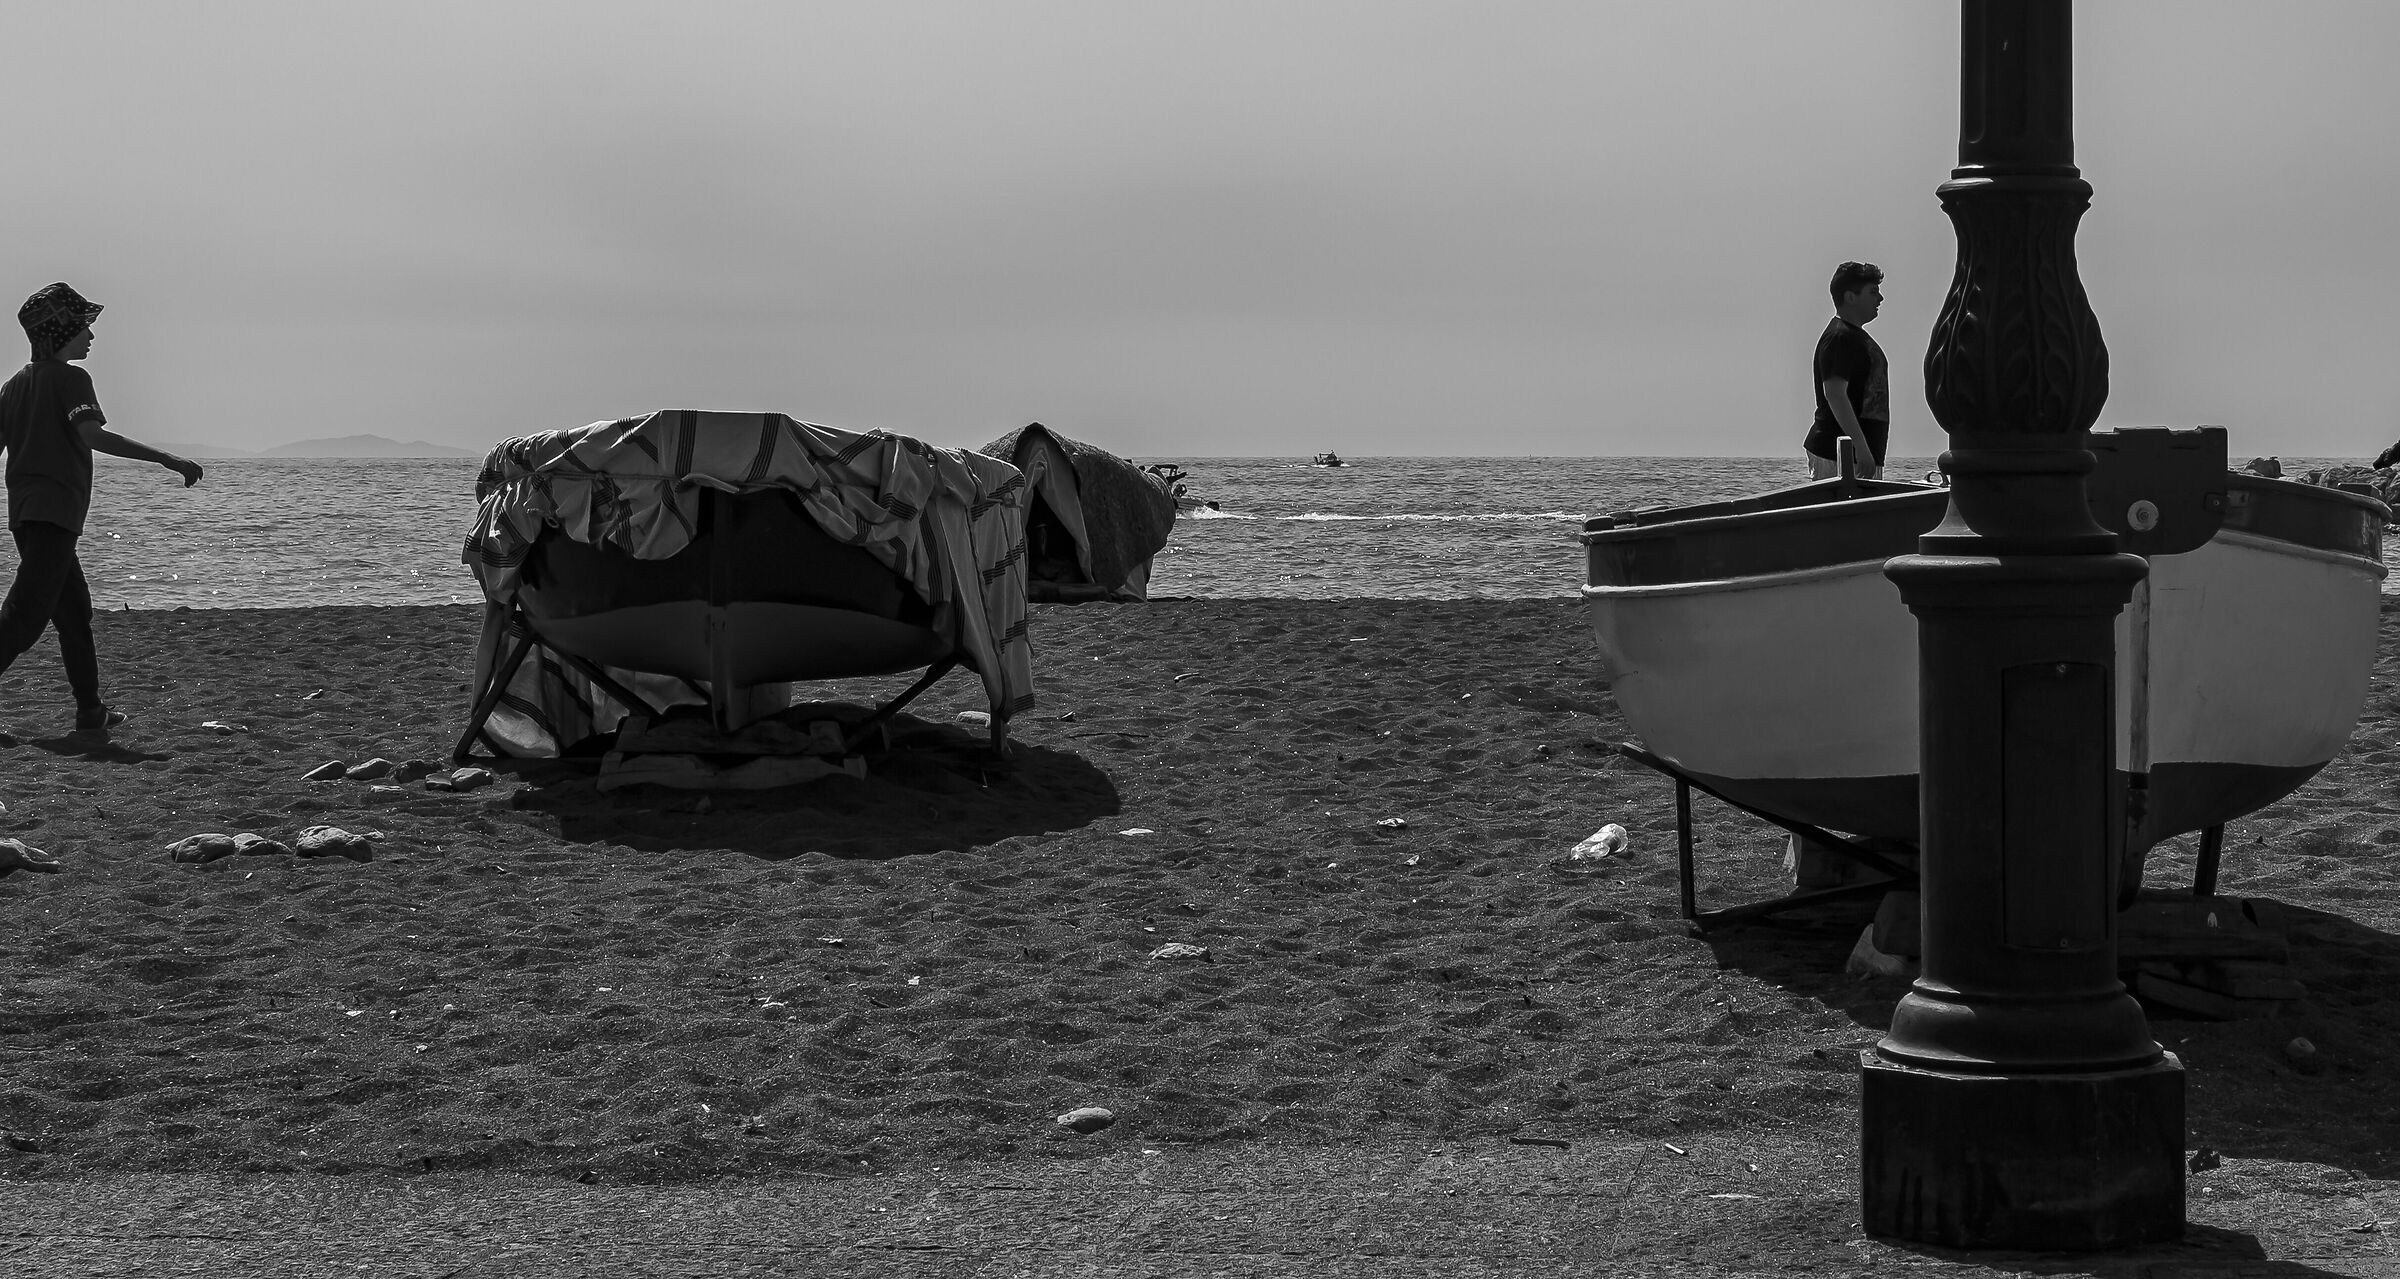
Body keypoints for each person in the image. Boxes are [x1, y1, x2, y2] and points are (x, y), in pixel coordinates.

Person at [0, 283, 203, 734]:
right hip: (55, 514)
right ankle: (90, 713)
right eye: (84, 328)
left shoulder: (12, 387)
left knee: (74, 613)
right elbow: (92, 436)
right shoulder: (72, 380)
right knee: (23, 619)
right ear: (60, 334)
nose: (91, 336)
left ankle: (91, 714)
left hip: (28, 515)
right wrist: (166, 458)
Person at [1804, 261, 1888, 480]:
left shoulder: (1856, 337)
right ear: (1850, 297)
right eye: (1873, 292)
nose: (1880, 299)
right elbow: (1834, 394)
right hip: (1838, 454)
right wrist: (1860, 448)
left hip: (1861, 455)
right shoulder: (1839, 337)